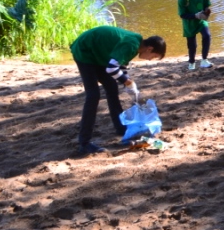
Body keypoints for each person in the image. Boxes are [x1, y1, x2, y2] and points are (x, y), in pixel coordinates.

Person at [71, 25, 166, 155]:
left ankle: (120, 128)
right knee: (93, 95)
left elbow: (120, 66)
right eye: (153, 56)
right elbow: (111, 69)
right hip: (85, 51)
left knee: (111, 88)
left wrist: (131, 87)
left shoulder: (137, 44)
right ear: (149, 49)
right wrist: (127, 82)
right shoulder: (132, 45)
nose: (150, 60)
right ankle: (84, 143)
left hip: (99, 55)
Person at [178, 0, 213, 70]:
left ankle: (204, 60)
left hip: (201, 21)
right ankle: (192, 63)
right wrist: (195, 15)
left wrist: (206, 12)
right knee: (192, 45)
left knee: (207, 36)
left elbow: (206, 5)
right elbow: (182, 15)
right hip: (189, 24)